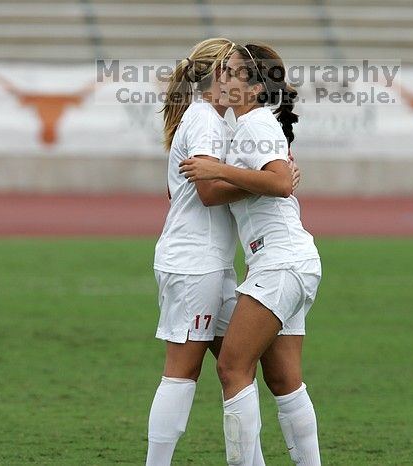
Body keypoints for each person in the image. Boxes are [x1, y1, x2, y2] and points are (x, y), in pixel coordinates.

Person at [147, 38, 299, 466]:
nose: (234, 74)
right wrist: (269, 182)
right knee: (182, 372)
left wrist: (275, 175)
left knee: (237, 367)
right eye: (230, 68)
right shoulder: (207, 121)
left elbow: (179, 189)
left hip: (211, 265)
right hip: (194, 263)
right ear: (217, 75)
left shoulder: (216, 121)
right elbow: (210, 191)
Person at [180, 43, 322, 466]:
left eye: (231, 73)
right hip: (291, 261)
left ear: (256, 87)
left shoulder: (254, 125)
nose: (220, 79)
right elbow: (273, 182)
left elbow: (279, 182)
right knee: (283, 379)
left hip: (281, 263)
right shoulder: (252, 125)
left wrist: (215, 168)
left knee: (231, 368)